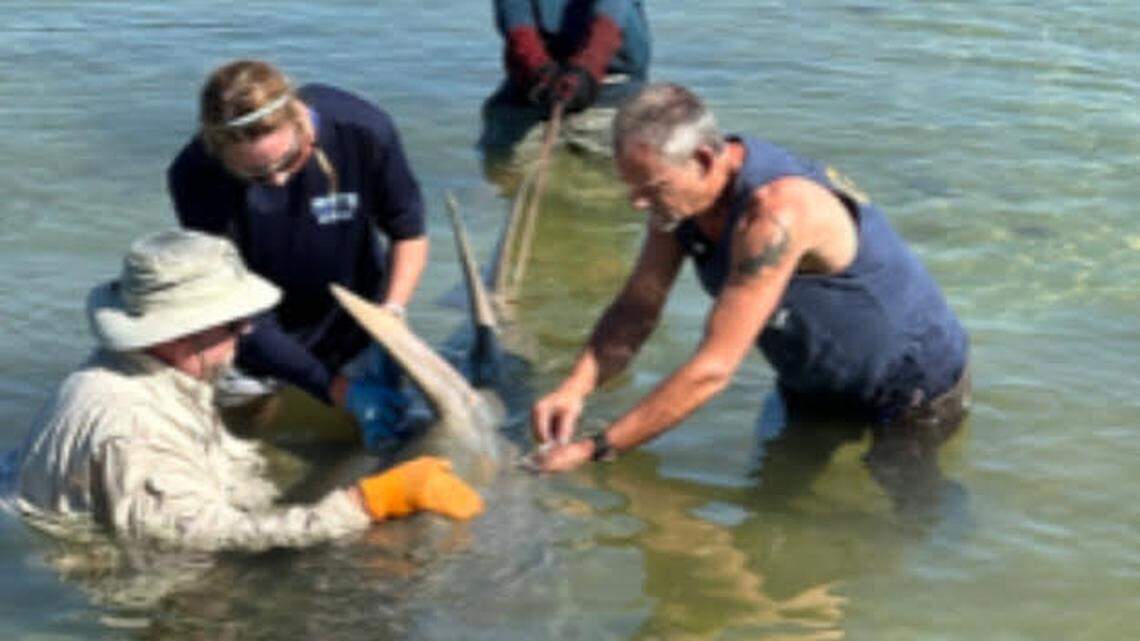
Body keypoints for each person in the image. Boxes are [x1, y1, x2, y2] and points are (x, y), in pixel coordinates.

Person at [530, 84, 971, 488]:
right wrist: (575, 387)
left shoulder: (777, 215)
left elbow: (713, 369)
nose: (639, 203)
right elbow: (637, 308)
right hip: (811, 382)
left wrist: (598, 448)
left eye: (650, 188)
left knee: (907, 510)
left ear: (703, 160)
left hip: (910, 387)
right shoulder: (677, 204)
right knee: (772, 501)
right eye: (632, 188)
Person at [9, 230, 482, 552]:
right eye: (235, 324)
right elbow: (200, 537)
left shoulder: (123, 373)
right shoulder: (135, 431)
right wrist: (364, 503)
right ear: (178, 335)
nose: (249, 333)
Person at [168, 59, 428, 450]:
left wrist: (390, 320)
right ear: (218, 153)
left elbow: (408, 233)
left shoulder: (364, 130)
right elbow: (237, 311)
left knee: (373, 443)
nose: (277, 180)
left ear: (299, 119)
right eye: (254, 176)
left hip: (353, 321)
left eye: (288, 160)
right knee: (244, 443)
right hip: (250, 334)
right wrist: (334, 390)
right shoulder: (194, 175)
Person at [479, 0, 652, 161]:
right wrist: (542, 74)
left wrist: (586, 73)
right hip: (534, 87)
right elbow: (517, 25)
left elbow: (610, 20)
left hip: (612, 85)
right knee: (500, 161)